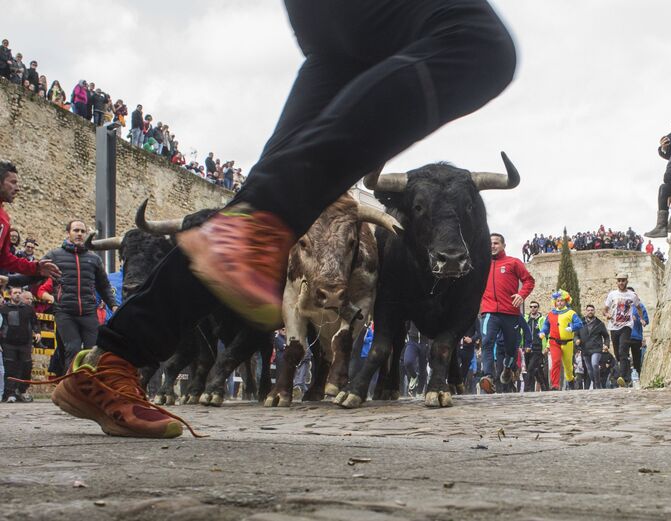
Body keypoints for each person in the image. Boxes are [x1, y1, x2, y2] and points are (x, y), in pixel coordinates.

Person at [48, 0, 517, 438]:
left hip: (341, 34)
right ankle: (255, 226)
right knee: (479, 45)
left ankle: (114, 358)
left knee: (272, 194)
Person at [40, 220, 118, 371]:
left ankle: (90, 386)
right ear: (68, 233)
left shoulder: (94, 259)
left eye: (82, 231)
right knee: (72, 349)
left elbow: (104, 286)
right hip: (65, 312)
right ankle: (72, 387)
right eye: (76, 230)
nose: (80, 234)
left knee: (93, 351)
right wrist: (12, 280)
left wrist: (113, 305)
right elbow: (35, 273)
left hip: (88, 312)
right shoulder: (54, 255)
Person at [478, 233, 535, 394]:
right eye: (489, 243)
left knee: (511, 347)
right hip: (489, 311)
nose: (492, 246)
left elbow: (529, 281)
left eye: (496, 243)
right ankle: (488, 376)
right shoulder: (482, 264)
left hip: (510, 312)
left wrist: (521, 295)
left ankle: (508, 368)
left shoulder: (513, 262)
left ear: (503, 245)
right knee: (487, 341)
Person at [1, 286, 41, 402]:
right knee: (10, 368)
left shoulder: (28, 309)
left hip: (25, 343)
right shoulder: (4, 308)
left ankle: (22, 390)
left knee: (26, 367)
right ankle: (10, 393)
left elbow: (35, 322)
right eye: (15, 293)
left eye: (19, 292)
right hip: (8, 343)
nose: (17, 294)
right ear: (10, 295)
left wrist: (38, 332)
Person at [603, 274, 644, 388]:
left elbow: (639, 307)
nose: (621, 283)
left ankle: (624, 378)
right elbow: (605, 310)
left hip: (626, 326)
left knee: (623, 351)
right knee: (617, 354)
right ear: (617, 282)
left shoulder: (632, 295)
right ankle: (626, 377)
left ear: (627, 281)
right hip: (613, 326)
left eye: (623, 281)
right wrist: (607, 315)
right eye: (619, 281)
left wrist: (641, 318)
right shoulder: (612, 294)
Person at [540, 290, 583, 391]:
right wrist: (542, 332)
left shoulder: (571, 313)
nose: (559, 303)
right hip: (554, 342)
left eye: (562, 301)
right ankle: (555, 385)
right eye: (557, 301)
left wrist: (572, 327)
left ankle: (571, 380)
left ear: (566, 301)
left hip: (567, 342)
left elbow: (579, 324)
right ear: (555, 302)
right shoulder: (551, 314)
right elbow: (546, 325)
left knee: (568, 366)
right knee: (555, 362)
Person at [574, 304, 610, 390]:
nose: (590, 312)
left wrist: (606, 344)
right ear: (586, 311)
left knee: (594, 364)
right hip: (585, 349)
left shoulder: (600, 324)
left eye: (592, 310)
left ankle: (597, 386)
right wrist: (577, 340)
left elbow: (606, 336)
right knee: (589, 370)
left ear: (594, 311)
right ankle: (597, 383)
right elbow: (576, 335)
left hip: (596, 348)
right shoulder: (580, 323)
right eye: (588, 310)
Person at [523, 301, 548, 392]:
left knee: (530, 369)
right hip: (527, 348)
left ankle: (526, 390)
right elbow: (522, 332)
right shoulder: (526, 319)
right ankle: (544, 388)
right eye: (531, 307)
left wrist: (547, 347)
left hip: (538, 348)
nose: (533, 308)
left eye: (535, 307)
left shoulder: (543, 319)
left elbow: (547, 334)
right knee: (537, 370)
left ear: (538, 308)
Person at [627, 287, 649, 379]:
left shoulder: (640, 306)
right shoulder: (621, 307)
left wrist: (640, 320)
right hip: (625, 336)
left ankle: (638, 378)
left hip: (636, 336)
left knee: (637, 359)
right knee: (623, 357)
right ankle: (626, 378)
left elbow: (645, 321)